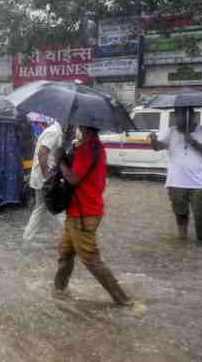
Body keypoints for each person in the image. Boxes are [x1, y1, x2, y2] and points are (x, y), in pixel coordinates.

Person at [54, 126, 133, 307]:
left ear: (84, 125)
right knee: (65, 253)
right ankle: (59, 290)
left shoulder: (87, 149)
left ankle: (124, 301)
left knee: (91, 259)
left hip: (83, 214)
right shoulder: (93, 146)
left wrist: (60, 161)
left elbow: (73, 179)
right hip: (81, 211)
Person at [149, 107, 202, 241]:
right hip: (176, 181)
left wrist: (193, 142)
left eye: (179, 116)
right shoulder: (171, 131)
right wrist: (153, 140)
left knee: (201, 215)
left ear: (191, 116)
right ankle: (182, 238)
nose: (177, 119)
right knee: (180, 213)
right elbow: (158, 147)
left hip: (199, 183)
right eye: (176, 116)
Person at [22, 121, 73, 241]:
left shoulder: (57, 132)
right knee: (57, 207)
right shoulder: (54, 132)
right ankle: (72, 237)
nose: (73, 127)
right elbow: (42, 153)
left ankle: (28, 236)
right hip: (44, 178)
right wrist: (47, 177)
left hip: (44, 177)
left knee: (40, 208)